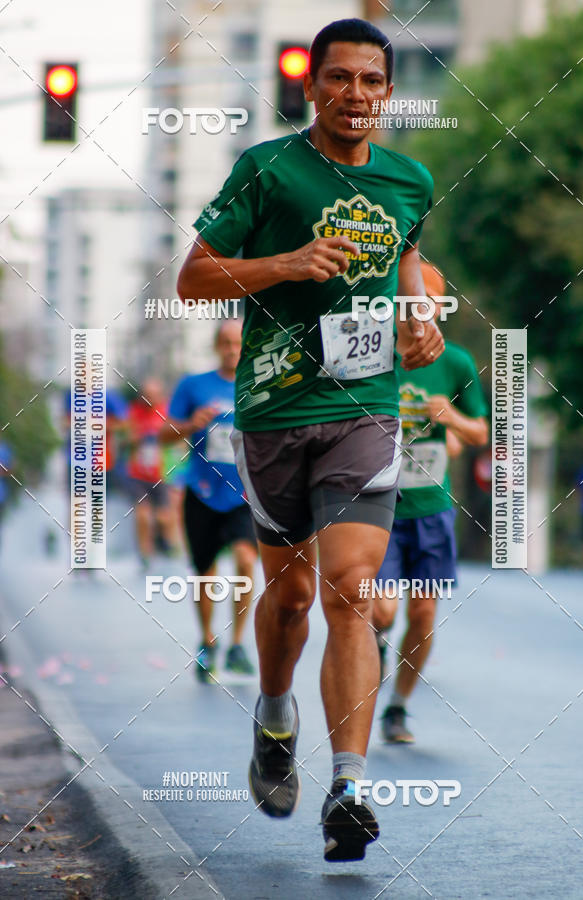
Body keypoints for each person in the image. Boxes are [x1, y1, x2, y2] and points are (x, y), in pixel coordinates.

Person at [177, 18, 444, 861]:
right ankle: (274, 714)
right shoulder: (267, 169)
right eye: (339, 79)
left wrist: (422, 309)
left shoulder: (409, 180)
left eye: (371, 81)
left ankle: (350, 786)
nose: (354, 95)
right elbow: (193, 278)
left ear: (388, 94)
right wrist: (286, 264)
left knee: (353, 592)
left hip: (365, 412)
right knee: (288, 602)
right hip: (273, 418)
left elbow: (408, 255)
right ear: (311, 87)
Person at [373, 261, 489, 743]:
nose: (418, 309)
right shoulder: (372, 355)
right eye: (408, 299)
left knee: (422, 614)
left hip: (431, 509)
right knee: (381, 612)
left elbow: (481, 431)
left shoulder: (457, 362)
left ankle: (397, 708)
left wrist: (453, 420)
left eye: (429, 301)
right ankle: (375, 646)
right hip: (377, 505)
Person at [161, 320, 258, 680]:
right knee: (205, 573)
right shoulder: (193, 385)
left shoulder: (259, 383)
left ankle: (236, 643)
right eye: (226, 343)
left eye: (238, 343)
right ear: (217, 346)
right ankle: (207, 641)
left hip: (245, 494)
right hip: (201, 492)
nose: (233, 349)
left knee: (247, 560)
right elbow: (163, 435)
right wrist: (190, 425)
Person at [124, 378, 174, 567]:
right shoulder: (134, 411)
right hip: (138, 474)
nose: (149, 400)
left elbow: (176, 437)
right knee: (143, 516)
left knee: (163, 517)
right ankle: (145, 553)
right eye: (146, 396)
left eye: (153, 396)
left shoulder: (166, 410)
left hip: (161, 474)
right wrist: (136, 437)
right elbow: (126, 438)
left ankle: (163, 541)